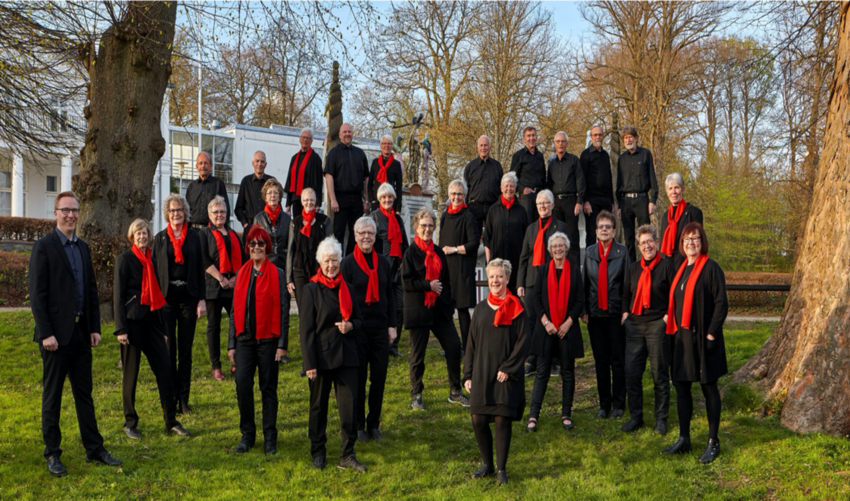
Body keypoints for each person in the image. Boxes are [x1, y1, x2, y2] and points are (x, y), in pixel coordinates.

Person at [29, 191, 122, 476]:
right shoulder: (43, 247)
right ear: (55, 213)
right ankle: (53, 454)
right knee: (52, 396)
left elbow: (91, 291)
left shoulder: (82, 247)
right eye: (65, 210)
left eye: (75, 211)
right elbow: (37, 294)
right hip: (55, 338)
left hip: (81, 334)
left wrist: (94, 327)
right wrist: (46, 333)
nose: (71, 215)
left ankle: (94, 448)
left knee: (85, 395)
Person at [114, 218, 191, 440]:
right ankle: (130, 422)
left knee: (165, 370)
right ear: (132, 236)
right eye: (138, 233)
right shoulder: (125, 259)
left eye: (145, 233)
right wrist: (121, 328)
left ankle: (171, 420)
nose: (142, 236)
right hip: (131, 323)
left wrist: (164, 329)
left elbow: (157, 294)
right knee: (131, 374)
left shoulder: (153, 260)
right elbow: (118, 296)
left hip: (152, 323)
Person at [662, 222, 728, 464]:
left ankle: (713, 441)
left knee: (708, 388)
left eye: (695, 238)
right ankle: (684, 438)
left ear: (702, 242)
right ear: (682, 244)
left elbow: (721, 304)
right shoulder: (680, 269)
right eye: (687, 239)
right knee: (681, 388)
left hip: (703, 340)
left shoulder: (711, 269)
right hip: (681, 340)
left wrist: (711, 334)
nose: (691, 243)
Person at [300, 237, 366, 472]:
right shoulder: (310, 289)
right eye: (327, 261)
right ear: (320, 262)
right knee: (318, 408)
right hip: (320, 358)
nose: (331, 265)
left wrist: (352, 326)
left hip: (347, 356)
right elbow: (306, 330)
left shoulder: (346, 287)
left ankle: (347, 454)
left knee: (349, 408)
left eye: (335, 260)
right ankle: (318, 451)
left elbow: (359, 318)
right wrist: (309, 363)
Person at [463, 259, 529, 485]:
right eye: (492, 277)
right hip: (481, 372)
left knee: (502, 419)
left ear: (507, 278)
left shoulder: (517, 307)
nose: (495, 281)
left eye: (500, 276)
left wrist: (508, 368)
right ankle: (488, 464)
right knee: (477, 420)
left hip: (505, 376)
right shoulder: (480, 309)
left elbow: (523, 342)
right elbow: (470, 343)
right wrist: (468, 374)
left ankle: (501, 469)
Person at [226, 226, 290, 455]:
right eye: (252, 244)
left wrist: (282, 344)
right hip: (244, 340)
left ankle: (270, 438)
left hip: (269, 341)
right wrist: (231, 344)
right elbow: (234, 311)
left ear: (267, 247)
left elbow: (284, 309)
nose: (256, 247)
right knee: (243, 384)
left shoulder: (278, 273)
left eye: (260, 244)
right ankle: (247, 435)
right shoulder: (241, 273)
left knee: (268, 389)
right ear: (248, 247)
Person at [403, 207, 469, 410]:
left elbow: (446, 282)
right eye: (423, 225)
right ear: (416, 227)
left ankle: (455, 391)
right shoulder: (411, 253)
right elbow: (406, 282)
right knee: (417, 355)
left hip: (439, 311)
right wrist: (427, 285)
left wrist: (448, 306)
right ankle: (416, 395)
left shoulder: (439, 252)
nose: (427, 229)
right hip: (419, 311)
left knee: (454, 346)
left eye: (431, 225)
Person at [341, 217, 397, 441]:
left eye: (370, 233)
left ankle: (374, 423)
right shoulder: (347, 264)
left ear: (375, 237)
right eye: (362, 233)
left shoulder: (383, 263)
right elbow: (343, 298)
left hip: (380, 329)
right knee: (359, 378)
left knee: (379, 378)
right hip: (358, 329)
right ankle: (358, 425)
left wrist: (392, 325)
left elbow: (390, 295)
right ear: (355, 235)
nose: (366, 237)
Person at [153, 194, 207, 414]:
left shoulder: (195, 237)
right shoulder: (159, 239)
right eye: (173, 210)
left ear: (185, 212)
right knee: (168, 350)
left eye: (179, 210)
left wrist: (202, 299)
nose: (176, 214)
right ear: (167, 213)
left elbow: (200, 268)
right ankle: (171, 399)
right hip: (166, 300)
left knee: (185, 351)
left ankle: (184, 399)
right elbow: (155, 272)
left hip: (188, 298)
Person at [620, 225, 676, 434]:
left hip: (657, 325)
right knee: (632, 373)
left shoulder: (667, 267)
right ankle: (636, 417)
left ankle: (661, 419)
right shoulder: (633, 268)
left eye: (649, 241)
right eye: (642, 243)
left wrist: (666, 318)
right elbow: (625, 294)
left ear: (656, 242)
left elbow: (674, 296)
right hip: (634, 324)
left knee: (659, 373)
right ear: (638, 246)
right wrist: (625, 314)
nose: (646, 246)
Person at [527, 232, 584, 432]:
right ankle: (533, 415)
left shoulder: (575, 271)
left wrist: (568, 322)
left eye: (561, 245)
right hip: (546, 330)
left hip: (567, 329)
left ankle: (566, 414)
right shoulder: (542, 270)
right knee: (542, 372)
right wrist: (546, 322)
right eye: (555, 246)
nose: (558, 249)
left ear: (566, 248)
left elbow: (579, 300)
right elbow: (536, 300)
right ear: (550, 249)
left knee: (567, 373)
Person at [582, 210, 630, 419]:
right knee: (600, 361)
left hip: (615, 314)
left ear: (614, 230)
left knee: (617, 360)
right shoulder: (590, 252)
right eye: (600, 226)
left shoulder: (622, 252)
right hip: (595, 315)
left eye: (607, 227)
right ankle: (604, 405)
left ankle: (619, 404)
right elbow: (584, 283)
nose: (604, 230)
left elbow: (627, 285)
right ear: (596, 230)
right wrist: (584, 310)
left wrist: (626, 310)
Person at [517, 190, 568, 376]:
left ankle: (552, 360)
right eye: (539, 204)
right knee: (531, 321)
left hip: (552, 280)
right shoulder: (530, 229)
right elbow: (523, 257)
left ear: (553, 205)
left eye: (546, 203)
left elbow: (565, 255)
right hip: (531, 280)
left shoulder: (560, 226)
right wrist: (520, 283)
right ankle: (532, 360)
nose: (542, 206)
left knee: (552, 319)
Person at [199, 195, 245, 379]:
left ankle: (236, 360)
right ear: (209, 214)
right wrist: (220, 277)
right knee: (214, 326)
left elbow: (242, 258)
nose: (219, 215)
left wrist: (234, 277)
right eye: (216, 212)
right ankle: (216, 365)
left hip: (233, 285)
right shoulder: (204, 233)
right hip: (213, 286)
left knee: (238, 324)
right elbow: (203, 258)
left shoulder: (234, 234)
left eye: (222, 212)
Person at [439, 179, 480, 355]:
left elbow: (473, 244)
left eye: (459, 194)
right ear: (449, 195)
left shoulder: (468, 216)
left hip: (462, 269)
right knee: (446, 310)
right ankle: (451, 346)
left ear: (464, 196)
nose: (456, 197)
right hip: (446, 270)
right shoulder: (444, 215)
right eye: (453, 194)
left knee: (463, 311)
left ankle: (467, 347)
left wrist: (455, 249)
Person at [370, 183, 410, 357]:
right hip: (380, 269)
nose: (387, 200)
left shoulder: (399, 219)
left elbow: (406, 245)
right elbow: (368, 243)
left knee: (399, 307)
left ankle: (393, 345)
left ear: (394, 199)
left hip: (397, 270)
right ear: (379, 199)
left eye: (390, 197)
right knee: (381, 308)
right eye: (384, 197)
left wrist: (403, 261)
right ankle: (379, 345)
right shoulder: (374, 217)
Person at [324, 122, 370, 254]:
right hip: (340, 198)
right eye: (344, 132)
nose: (347, 134)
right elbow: (329, 176)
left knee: (357, 232)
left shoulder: (360, 153)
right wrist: (333, 199)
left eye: (349, 131)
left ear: (352, 133)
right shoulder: (333, 153)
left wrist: (366, 200)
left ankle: (351, 260)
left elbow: (366, 178)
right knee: (338, 232)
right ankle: (338, 260)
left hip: (357, 199)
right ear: (340, 134)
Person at [286, 187, 333, 308]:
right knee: (304, 308)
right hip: (299, 271)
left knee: (318, 308)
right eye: (306, 200)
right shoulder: (294, 223)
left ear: (316, 201)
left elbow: (329, 249)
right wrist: (289, 279)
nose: (309, 203)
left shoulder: (324, 221)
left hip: (318, 271)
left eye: (311, 200)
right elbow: (290, 250)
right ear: (301, 201)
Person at [616, 125, 658, 259]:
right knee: (628, 238)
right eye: (626, 138)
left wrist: (652, 201)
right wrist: (619, 206)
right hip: (626, 202)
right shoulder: (621, 159)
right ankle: (632, 268)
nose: (628, 140)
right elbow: (619, 183)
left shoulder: (646, 154)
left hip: (642, 200)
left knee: (645, 235)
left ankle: (646, 262)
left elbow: (653, 179)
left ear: (636, 138)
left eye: (630, 137)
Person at [483, 172, 529, 292]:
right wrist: (489, 262)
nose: (509, 189)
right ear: (501, 188)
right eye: (506, 186)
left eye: (512, 186)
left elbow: (526, 238)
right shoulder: (493, 210)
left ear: (515, 187)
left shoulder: (522, 211)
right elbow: (487, 238)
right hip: (497, 264)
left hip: (516, 264)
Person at [546, 131, 584, 265]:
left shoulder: (574, 160)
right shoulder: (551, 165)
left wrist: (579, 201)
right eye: (558, 142)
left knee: (572, 237)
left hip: (571, 202)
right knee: (557, 238)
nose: (560, 144)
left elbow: (580, 181)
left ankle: (574, 271)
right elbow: (548, 185)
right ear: (554, 144)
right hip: (556, 204)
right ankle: (558, 269)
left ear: (567, 143)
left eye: (563, 141)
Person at [659, 173, 704, 267]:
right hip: (668, 267)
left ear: (683, 189)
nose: (673, 192)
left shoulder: (693, 213)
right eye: (670, 188)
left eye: (677, 187)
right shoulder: (665, 216)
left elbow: (699, 243)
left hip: (687, 265)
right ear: (667, 192)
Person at [580, 125, 614, 248]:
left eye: (600, 135)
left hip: (606, 200)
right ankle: (591, 264)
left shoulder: (605, 155)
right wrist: (585, 201)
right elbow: (582, 180)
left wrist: (612, 201)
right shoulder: (585, 155)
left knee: (607, 232)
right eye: (595, 135)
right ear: (591, 137)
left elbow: (609, 177)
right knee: (591, 233)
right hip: (592, 200)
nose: (598, 137)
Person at [462, 135, 503, 227]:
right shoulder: (470, 167)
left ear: (490, 147)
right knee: (474, 237)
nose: (483, 148)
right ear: (477, 148)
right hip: (474, 208)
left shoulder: (497, 166)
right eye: (481, 145)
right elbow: (465, 189)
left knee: (493, 238)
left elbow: (501, 188)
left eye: (485, 145)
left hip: (493, 207)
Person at [253, 178, 292, 270]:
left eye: (276, 192)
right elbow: (254, 246)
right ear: (265, 197)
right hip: (265, 265)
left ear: (279, 196)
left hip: (283, 265)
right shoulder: (258, 218)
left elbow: (290, 247)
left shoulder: (287, 218)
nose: (273, 196)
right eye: (269, 193)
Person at [510, 126, 546, 224]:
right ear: (524, 139)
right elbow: (512, 179)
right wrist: (522, 189)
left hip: (540, 196)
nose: (531, 138)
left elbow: (543, 177)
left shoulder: (540, 156)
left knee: (540, 225)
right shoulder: (518, 156)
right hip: (526, 198)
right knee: (527, 226)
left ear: (536, 137)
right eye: (528, 136)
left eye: (533, 135)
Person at [285, 128, 324, 217]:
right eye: (303, 137)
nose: (305, 140)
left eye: (308, 138)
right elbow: (289, 180)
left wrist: (318, 203)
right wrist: (288, 204)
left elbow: (319, 182)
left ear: (311, 141)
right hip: (296, 200)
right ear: (299, 139)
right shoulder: (294, 158)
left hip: (309, 200)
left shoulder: (316, 158)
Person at [186, 152, 230, 228]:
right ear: (197, 166)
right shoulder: (191, 187)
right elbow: (186, 211)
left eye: (206, 163)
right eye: (200, 163)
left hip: (212, 231)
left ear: (210, 166)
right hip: (193, 231)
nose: (203, 166)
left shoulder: (218, 184)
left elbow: (226, 209)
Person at [234, 151, 273, 228]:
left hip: (268, 227)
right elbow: (239, 208)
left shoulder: (271, 181)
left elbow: (278, 206)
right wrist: (246, 225)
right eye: (257, 161)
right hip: (250, 226)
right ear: (252, 163)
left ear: (265, 164)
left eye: (262, 161)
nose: (259, 164)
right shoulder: (245, 181)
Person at [367, 135, 403, 212]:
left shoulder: (396, 164)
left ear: (392, 146)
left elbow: (399, 187)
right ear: (380, 146)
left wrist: (398, 209)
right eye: (384, 143)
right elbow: (370, 184)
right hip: (377, 203)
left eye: (389, 144)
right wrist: (372, 200)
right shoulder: (375, 162)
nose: (386, 146)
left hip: (390, 203)